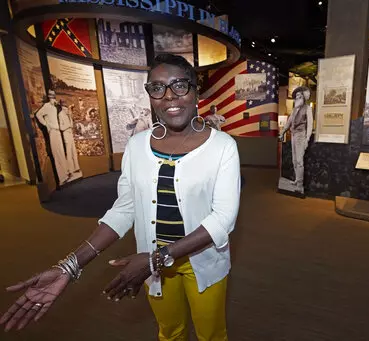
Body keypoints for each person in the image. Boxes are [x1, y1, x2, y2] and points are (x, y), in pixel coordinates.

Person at [0, 54, 241, 341]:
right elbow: (125, 209)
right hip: (152, 262)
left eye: (179, 85)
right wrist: (70, 266)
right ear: (149, 96)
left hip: (201, 260)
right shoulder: (138, 145)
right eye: (157, 88)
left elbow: (223, 218)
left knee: (211, 335)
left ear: (195, 91)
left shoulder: (222, 147)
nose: (169, 96)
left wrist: (155, 259)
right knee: (169, 332)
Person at [279, 86, 313, 192]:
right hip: (293, 135)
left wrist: (307, 139)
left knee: (299, 161)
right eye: (296, 96)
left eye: (299, 95)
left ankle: (299, 184)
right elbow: (289, 122)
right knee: (294, 160)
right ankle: (297, 179)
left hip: (301, 136)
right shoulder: (294, 110)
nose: (297, 97)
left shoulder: (307, 108)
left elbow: (310, 124)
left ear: (303, 97)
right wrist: (282, 132)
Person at [35, 90, 70, 185]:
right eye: (51, 95)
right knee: (56, 154)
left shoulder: (55, 107)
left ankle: (65, 173)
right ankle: (62, 177)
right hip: (53, 131)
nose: (52, 97)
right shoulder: (46, 106)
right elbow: (38, 115)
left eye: (53, 95)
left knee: (61, 153)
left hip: (58, 132)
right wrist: (46, 125)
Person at [59, 103, 81, 175]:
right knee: (69, 153)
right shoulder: (60, 115)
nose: (66, 110)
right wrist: (67, 126)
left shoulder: (67, 114)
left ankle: (76, 167)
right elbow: (61, 128)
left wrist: (70, 118)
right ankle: (71, 169)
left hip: (70, 134)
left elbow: (71, 124)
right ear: (62, 108)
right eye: (65, 109)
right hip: (66, 135)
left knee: (74, 152)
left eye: (67, 109)